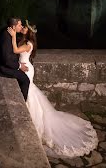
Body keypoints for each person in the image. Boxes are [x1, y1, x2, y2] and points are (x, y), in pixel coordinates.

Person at [7, 20, 98, 158]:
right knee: (30, 93)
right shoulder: (25, 40)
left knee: (29, 92)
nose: (23, 28)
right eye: (22, 26)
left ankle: (30, 122)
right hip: (24, 67)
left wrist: (13, 35)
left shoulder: (28, 44)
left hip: (26, 70)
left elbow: (15, 50)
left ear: (29, 32)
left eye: (25, 27)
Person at [0, 17, 30, 101]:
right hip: (3, 67)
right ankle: (22, 102)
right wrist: (20, 66)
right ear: (13, 27)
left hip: (9, 62)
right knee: (25, 80)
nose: (22, 26)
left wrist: (22, 32)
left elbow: (16, 43)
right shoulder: (6, 37)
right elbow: (7, 60)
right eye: (20, 25)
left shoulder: (9, 31)